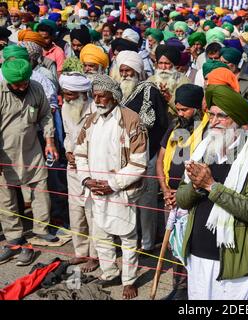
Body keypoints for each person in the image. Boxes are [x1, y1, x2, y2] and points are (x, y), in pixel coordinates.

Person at [176, 84, 248, 300]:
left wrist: (211, 186)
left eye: (222, 116)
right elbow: (181, 200)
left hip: (235, 260)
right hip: (199, 254)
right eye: (211, 114)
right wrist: (196, 186)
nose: (214, 121)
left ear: (237, 120)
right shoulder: (202, 150)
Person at [74, 74, 148, 300]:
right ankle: (109, 273)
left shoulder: (131, 120)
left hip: (121, 191)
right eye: (94, 96)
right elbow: (80, 154)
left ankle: (129, 280)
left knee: (127, 237)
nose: (97, 100)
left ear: (114, 97)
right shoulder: (91, 120)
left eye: (102, 96)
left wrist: (112, 184)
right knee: (101, 235)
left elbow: (139, 163)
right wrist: (86, 179)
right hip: (96, 190)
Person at [0, 58, 60, 265]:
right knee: (6, 197)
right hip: (4, 154)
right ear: (9, 82)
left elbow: (45, 116)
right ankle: (14, 236)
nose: (23, 86)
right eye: (18, 84)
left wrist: (49, 141)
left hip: (32, 150)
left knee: (40, 188)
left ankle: (41, 228)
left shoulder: (35, 88)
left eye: (25, 81)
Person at [156, 83, 209, 300]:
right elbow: (160, 161)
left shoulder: (207, 131)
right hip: (171, 198)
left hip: (194, 200)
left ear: (197, 108)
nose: (180, 113)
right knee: (174, 248)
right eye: (177, 108)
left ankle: (193, 292)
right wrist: (165, 189)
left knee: (192, 248)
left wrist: (182, 195)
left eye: (184, 109)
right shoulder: (175, 126)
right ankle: (178, 289)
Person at [116, 50, 168, 254]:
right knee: (128, 199)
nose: (125, 74)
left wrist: (149, 151)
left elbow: (161, 123)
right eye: (122, 70)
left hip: (148, 153)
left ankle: (147, 243)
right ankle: (130, 240)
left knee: (146, 201)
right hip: (124, 155)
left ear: (137, 70)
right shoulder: (119, 91)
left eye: (129, 70)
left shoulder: (149, 90)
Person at [59, 72, 99, 273]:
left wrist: (82, 158)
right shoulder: (66, 107)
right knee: (75, 209)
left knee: (92, 210)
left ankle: (95, 254)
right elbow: (68, 134)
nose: (67, 98)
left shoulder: (96, 110)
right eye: (65, 93)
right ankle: (80, 251)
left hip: (92, 167)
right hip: (72, 166)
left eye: (71, 94)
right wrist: (67, 151)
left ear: (83, 94)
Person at [148, 44, 190, 116]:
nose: (163, 67)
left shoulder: (184, 81)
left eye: (167, 63)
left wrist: (169, 98)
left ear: (174, 65)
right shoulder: (150, 81)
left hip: (178, 123)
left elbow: (187, 110)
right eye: (160, 63)